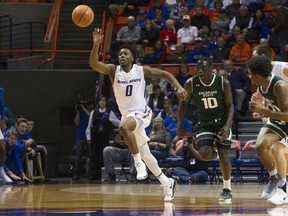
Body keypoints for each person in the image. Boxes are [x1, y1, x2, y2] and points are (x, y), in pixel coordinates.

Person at [89, 27, 188, 201]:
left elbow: (164, 73)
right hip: (129, 115)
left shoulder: (141, 71)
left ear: (133, 58)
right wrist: (96, 45)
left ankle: (137, 163)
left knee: (123, 127)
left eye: (126, 53)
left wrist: (178, 87)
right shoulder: (114, 71)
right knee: (146, 153)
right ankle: (167, 182)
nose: (122, 56)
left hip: (142, 113)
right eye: (120, 54)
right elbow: (94, 65)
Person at [177, 57, 234, 203]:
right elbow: (183, 104)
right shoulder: (190, 83)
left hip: (222, 122)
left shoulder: (223, 82)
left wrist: (227, 126)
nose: (200, 70)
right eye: (198, 68)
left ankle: (227, 188)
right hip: (204, 123)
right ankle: (215, 152)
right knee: (204, 154)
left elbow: (230, 106)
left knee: (224, 155)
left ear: (211, 68)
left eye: (203, 68)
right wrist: (179, 125)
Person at [251, 44, 288, 205]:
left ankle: (282, 190)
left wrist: (264, 110)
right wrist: (262, 109)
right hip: (277, 116)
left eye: (254, 56)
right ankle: (277, 181)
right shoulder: (261, 80)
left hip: (284, 116)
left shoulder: (283, 71)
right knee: (262, 146)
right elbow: (271, 102)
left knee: (276, 149)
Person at [86, 95, 112, 181]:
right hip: (95, 138)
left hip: (104, 137)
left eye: (104, 101)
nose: (102, 102)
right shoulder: (94, 112)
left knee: (102, 156)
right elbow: (89, 126)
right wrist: (88, 137)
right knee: (94, 156)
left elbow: (116, 122)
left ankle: (103, 175)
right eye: (100, 101)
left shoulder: (109, 112)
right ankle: (93, 175)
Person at [72, 99, 94, 180]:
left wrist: (84, 110)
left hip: (89, 137)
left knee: (91, 156)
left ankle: (91, 174)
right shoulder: (80, 113)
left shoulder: (92, 113)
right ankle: (76, 174)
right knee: (78, 156)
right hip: (80, 136)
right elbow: (76, 123)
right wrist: (78, 111)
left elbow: (91, 117)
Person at [0, 87, 12, 184]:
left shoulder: (0, 90)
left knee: (2, 148)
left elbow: (2, 105)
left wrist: (3, 120)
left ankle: (1, 171)